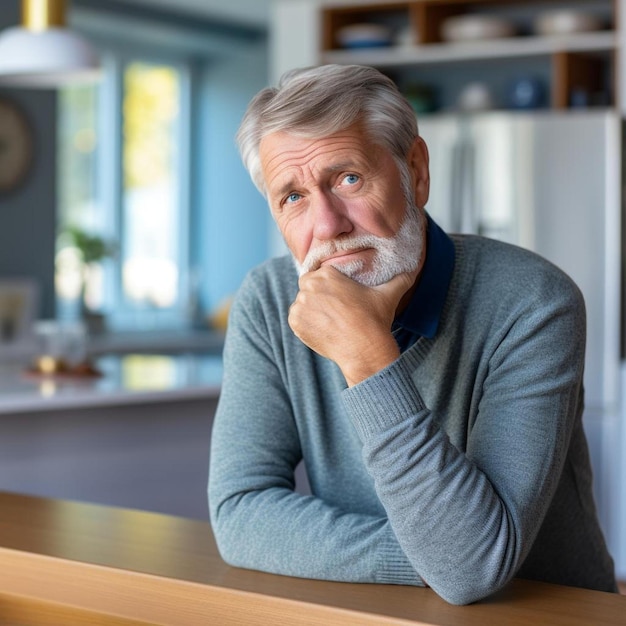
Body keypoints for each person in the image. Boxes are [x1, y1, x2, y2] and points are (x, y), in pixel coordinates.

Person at [208, 64, 617, 605]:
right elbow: (239, 512)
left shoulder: (534, 302)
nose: (328, 225)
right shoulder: (265, 300)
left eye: (348, 178)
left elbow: (471, 570)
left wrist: (367, 356)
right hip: (382, 610)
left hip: (550, 614)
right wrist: (428, 556)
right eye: (293, 197)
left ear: (416, 172)